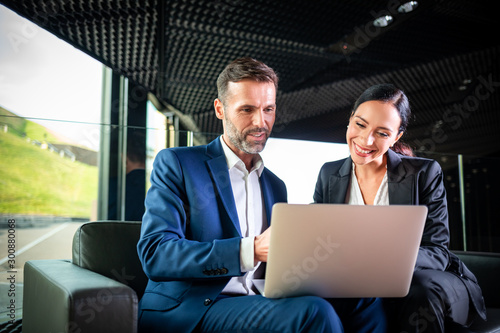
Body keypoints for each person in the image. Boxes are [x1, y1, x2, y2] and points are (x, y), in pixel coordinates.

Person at [137, 57, 387, 333]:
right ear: (220, 109)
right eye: (247, 109)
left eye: (268, 109)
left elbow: (277, 266)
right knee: (313, 313)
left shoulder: (275, 185)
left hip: (260, 298)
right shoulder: (179, 163)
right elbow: (156, 254)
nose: (261, 121)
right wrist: (250, 250)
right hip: (194, 307)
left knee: (364, 298)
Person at [314, 83, 487, 332]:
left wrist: (383, 264)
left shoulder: (423, 173)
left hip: (429, 278)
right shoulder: (329, 174)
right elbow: (319, 237)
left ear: (397, 136)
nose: (366, 139)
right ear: (350, 120)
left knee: (416, 288)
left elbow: (436, 250)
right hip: (359, 279)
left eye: (382, 133)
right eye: (360, 124)